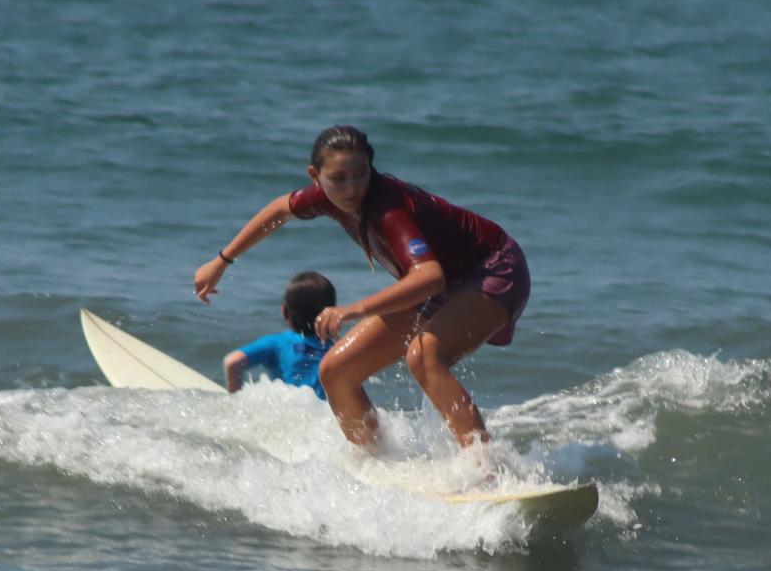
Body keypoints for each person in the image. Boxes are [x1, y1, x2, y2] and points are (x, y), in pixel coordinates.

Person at [192, 125, 530, 450]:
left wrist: (353, 310)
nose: (352, 188)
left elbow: (429, 276)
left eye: (361, 174)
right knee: (336, 370)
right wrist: (223, 260)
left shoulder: (388, 208)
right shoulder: (324, 198)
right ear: (315, 176)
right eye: (338, 179)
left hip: (494, 267)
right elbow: (281, 209)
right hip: (443, 281)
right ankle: (376, 458)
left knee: (424, 357)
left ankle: (485, 465)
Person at [223, 271, 336, 398]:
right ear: (333, 315)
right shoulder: (338, 350)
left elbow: (232, 362)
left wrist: (235, 401)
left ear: (284, 311)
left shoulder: (278, 343)